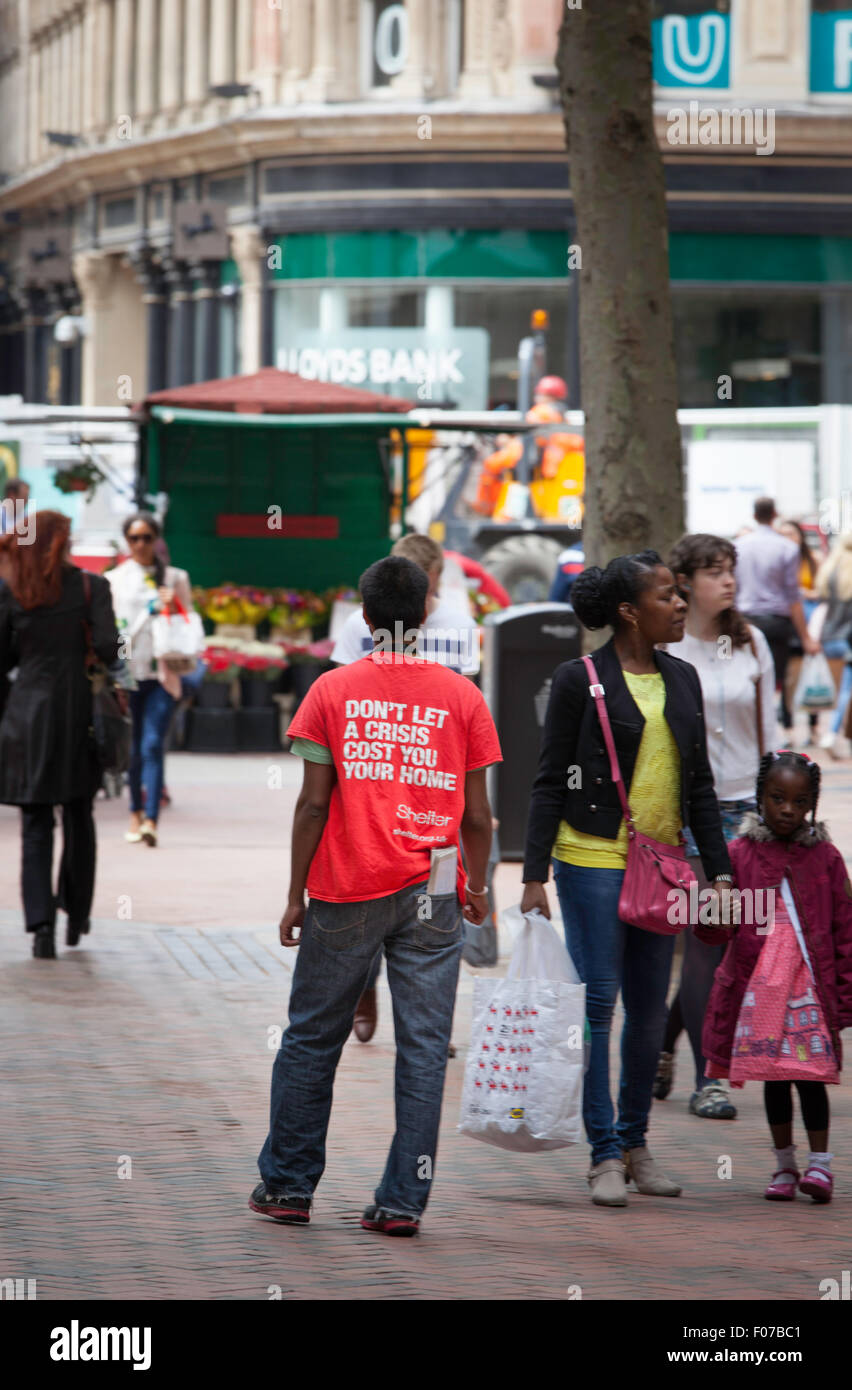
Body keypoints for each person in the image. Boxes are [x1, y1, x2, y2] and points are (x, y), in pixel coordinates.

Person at [250, 556, 501, 1234]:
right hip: (435, 888)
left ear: (364, 618)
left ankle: (288, 1188)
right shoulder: (462, 698)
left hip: (346, 885)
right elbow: (478, 817)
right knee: (423, 1048)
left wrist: (295, 893)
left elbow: (311, 805)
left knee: (311, 1037)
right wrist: (477, 886)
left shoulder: (332, 692)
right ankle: (402, 1202)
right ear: (425, 614)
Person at [521, 551, 732, 1208]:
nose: (679, 604)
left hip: (662, 866)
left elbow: (701, 786)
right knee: (599, 1005)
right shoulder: (578, 678)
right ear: (628, 612)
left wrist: (720, 872)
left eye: (678, 593)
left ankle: (637, 1145)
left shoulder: (685, 678)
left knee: (647, 1012)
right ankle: (603, 1152)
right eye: (667, 595)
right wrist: (533, 877)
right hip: (589, 861)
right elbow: (550, 780)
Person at [331, 533, 481, 1043]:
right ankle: (371, 989)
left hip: (432, 784)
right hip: (377, 781)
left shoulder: (459, 626)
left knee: (406, 903)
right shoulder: (357, 630)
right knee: (378, 888)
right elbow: (341, 707)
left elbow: (469, 713)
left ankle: (425, 1023)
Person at [654, 533, 775, 1120]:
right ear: (685, 584)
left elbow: (770, 735)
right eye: (714, 572)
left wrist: (782, 815)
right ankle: (711, 1080)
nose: (727, 581)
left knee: (735, 950)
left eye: (731, 571)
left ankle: (664, 1039)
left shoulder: (751, 642)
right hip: (690, 815)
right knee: (705, 948)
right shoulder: (670, 650)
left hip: (749, 812)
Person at [701, 751, 852, 1204]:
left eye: (799, 801)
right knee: (774, 1076)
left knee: (812, 1074)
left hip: (810, 989)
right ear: (760, 798)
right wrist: (711, 906)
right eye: (777, 798)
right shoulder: (739, 854)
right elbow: (714, 931)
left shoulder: (826, 858)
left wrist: (845, 994)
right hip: (760, 991)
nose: (788, 809)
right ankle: (784, 1165)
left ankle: (820, 1166)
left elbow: (845, 928)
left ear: (812, 804)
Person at [0, 511, 118, 958]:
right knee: (78, 816)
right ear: (63, 541)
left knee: (34, 823)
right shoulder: (92, 587)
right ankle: (77, 913)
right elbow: (110, 648)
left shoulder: (14, 591)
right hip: (78, 714)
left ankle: (40, 927)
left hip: (25, 715)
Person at [107, 513, 192, 848]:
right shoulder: (114, 580)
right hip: (128, 674)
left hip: (162, 673)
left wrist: (171, 608)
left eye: (146, 537)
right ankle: (134, 812)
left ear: (157, 539)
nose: (140, 544)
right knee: (134, 748)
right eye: (134, 538)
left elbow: (189, 625)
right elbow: (111, 630)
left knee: (153, 744)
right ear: (127, 541)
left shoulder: (175, 577)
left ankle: (151, 820)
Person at [735, 498, 819, 731]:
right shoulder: (787, 548)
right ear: (774, 514)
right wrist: (806, 637)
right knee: (773, 679)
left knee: (745, 674)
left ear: (754, 516)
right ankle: (768, 727)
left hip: (745, 620)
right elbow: (793, 596)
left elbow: (734, 590)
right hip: (777, 623)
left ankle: (754, 725)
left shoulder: (740, 545)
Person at [777, 518, 821, 746]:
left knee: (814, 676)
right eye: (782, 534)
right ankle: (788, 728)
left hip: (811, 625)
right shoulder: (776, 561)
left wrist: (807, 593)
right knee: (789, 681)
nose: (787, 539)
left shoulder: (812, 561)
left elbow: (823, 590)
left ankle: (814, 727)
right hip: (787, 628)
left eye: (791, 534)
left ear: (800, 536)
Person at [813, 532, 852, 759]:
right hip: (848, 640)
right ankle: (832, 731)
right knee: (846, 691)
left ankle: (833, 731)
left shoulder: (830, 570)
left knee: (841, 691)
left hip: (829, 638)